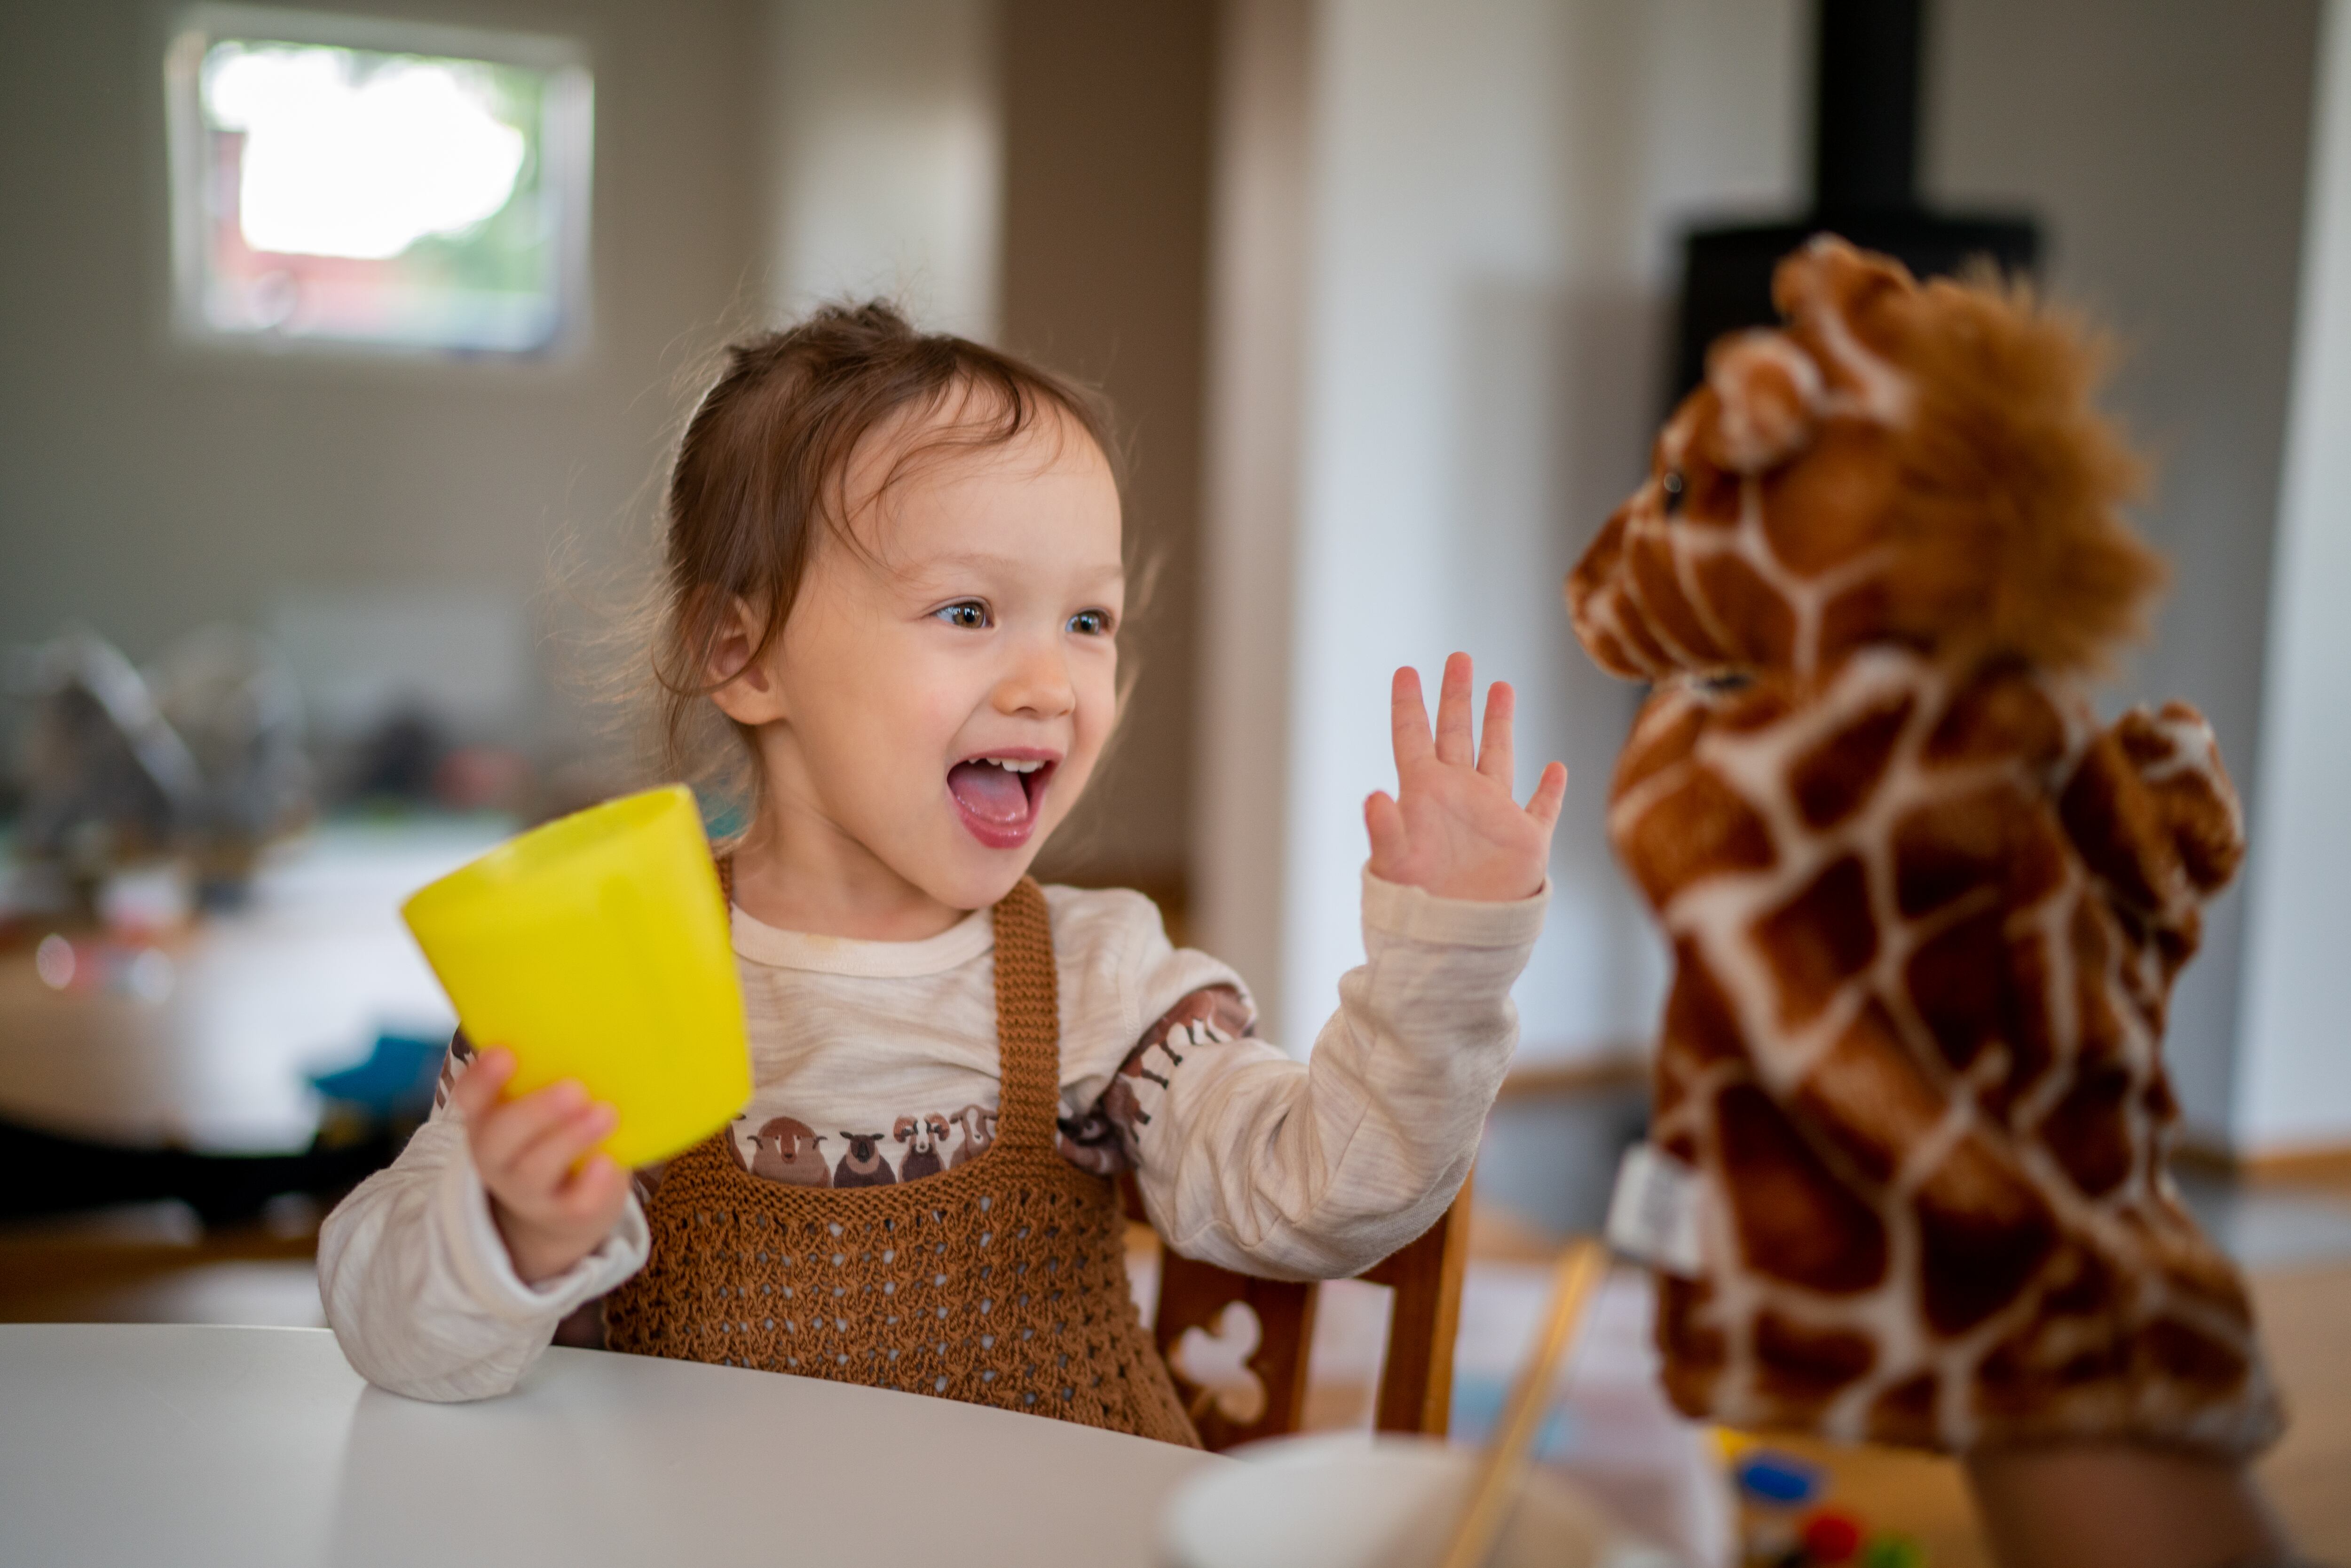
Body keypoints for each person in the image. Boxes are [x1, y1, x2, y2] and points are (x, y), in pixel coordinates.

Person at [317, 304, 1568, 1436]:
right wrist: (509, 1234)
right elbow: (395, 1344)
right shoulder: (610, 970)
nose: (1048, 682)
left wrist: (1439, 970)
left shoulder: (1103, 979)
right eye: (969, 612)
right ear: (743, 655)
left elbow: (1324, 1198)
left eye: (1089, 620)